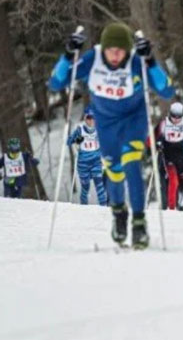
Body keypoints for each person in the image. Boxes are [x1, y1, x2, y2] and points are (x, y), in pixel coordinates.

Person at [49, 22, 174, 248]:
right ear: (103, 49)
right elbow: (56, 82)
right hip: (106, 124)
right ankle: (119, 213)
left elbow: (166, 89)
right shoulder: (93, 59)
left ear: (128, 50)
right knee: (114, 172)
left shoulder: (135, 62)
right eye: (111, 50)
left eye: (120, 51)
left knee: (131, 163)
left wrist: (150, 60)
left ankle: (139, 223)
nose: (115, 55)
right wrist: (68, 55)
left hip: (133, 120)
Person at [156, 102, 183, 210]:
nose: (176, 119)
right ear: (170, 114)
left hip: (181, 156)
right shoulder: (164, 123)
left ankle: (180, 205)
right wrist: (158, 143)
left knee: (182, 182)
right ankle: (171, 207)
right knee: (173, 180)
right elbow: (154, 137)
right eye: (173, 116)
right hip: (168, 156)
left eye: (179, 117)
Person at [67, 110, 108, 205]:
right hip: (83, 164)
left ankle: (104, 209)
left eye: (93, 117)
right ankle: (83, 208)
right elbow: (68, 141)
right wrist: (76, 140)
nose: (91, 120)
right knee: (85, 188)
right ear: (85, 118)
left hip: (96, 162)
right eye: (89, 118)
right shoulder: (80, 130)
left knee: (100, 186)